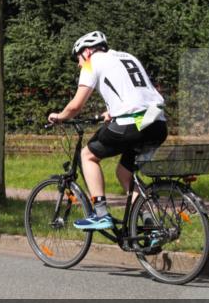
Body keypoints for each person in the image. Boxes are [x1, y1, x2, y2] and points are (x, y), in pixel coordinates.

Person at [47, 31, 168, 231]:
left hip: (132, 122)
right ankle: (151, 224)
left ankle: (101, 214)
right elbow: (138, 94)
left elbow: (76, 105)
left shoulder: (91, 62)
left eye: (78, 58)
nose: (79, 64)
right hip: (157, 122)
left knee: (87, 156)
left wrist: (60, 116)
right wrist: (112, 112)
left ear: (87, 51)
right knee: (124, 174)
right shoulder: (127, 57)